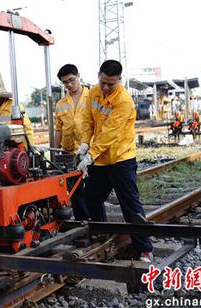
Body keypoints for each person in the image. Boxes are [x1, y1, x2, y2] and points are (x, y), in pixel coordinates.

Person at [78, 60, 154, 262]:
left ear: (119, 80)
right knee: (91, 197)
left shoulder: (124, 101)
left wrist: (90, 154)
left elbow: (110, 133)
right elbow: (87, 121)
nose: (105, 87)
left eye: (110, 84)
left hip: (121, 158)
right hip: (101, 160)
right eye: (103, 82)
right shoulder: (93, 93)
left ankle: (145, 249)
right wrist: (85, 143)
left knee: (130, 204)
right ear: (98, 75)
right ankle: (102, 236)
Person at [54, 64, 91, 220]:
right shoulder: (61, 104)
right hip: (70, 153)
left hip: (90, 152)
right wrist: (54, 152)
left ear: (78, 76)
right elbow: (59, 130)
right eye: (65, 82)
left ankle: (95, 222)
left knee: (92, 191)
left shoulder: (92, 97)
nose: (69, 85)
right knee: (75, 192)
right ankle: (82, 222)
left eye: (71, 80)